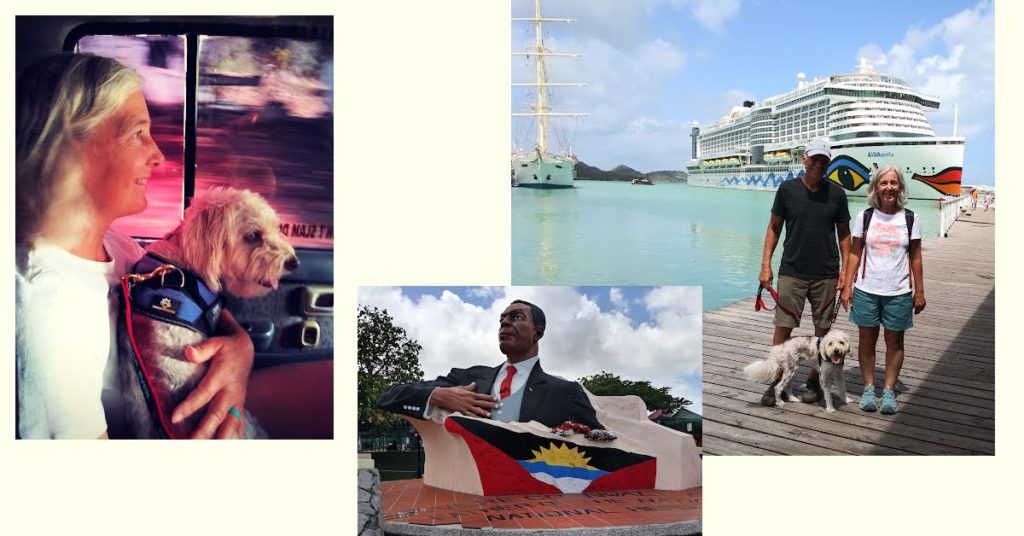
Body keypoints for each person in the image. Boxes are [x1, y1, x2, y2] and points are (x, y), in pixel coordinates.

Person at [16, 53, 254, 439]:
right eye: (137, 134)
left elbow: (186, 305)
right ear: (72, 148)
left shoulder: (117, 246)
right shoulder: (44, 303)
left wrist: (241, 349)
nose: (158, 155)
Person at [377, 300, 604, 430]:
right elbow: (389, 396)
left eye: (516, 317)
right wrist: (437, 396)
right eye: (502, 320)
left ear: (538, 332)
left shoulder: (565, 392)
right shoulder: (468, 379)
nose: (505, 322)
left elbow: (601, 445)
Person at [758, 138, 851, 406]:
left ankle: (813, 381)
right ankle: (776, 381)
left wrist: (845, 273)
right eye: (814, 158)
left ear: (828, 163)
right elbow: (773, 228)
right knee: (783, 328)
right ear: (804, 159)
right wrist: (766, 265)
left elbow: (845, 236)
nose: (818, 164)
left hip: (826, 273)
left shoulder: (837, 194)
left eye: (823, 160)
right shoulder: (787, 190)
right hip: (792, 271)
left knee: (823, 332)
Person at [841, 166, 925, 415]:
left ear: (900, 187)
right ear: (875, 187)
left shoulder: (911, 218)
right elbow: (855, 252)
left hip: (898, 290)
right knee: (867, 340)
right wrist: (847, 285)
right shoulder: (865, 217)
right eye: (883, 183)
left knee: (895, 341)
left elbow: (916, 258)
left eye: (893, 183)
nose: (888, 188)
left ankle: (888, 390)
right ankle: (869, 387)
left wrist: (919, 291)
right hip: (867, 288)